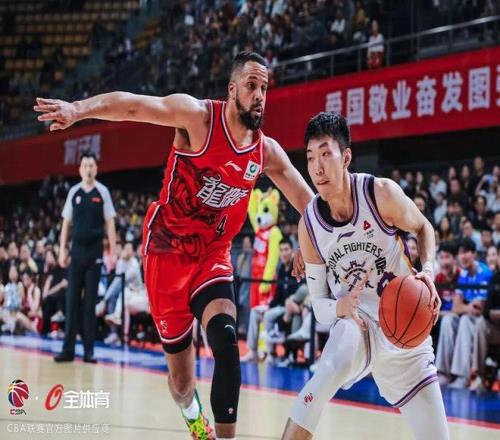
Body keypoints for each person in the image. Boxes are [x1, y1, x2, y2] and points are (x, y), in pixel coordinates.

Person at [35, 51, 314, 440]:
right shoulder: (197, 118)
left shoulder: (265, 151)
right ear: (232, 89)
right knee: (182, 385)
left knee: (226, 341)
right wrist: (77, 110)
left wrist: (307, 238)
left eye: (264, 88)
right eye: (252, 86)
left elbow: (309, 204)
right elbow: (133, 106)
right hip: (166, 254)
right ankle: (196, 422)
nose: (260, 96)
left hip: (213, 256)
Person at [281, 112, 447, 440]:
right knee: (329, 369)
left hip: (404, 326)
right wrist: (340, 307)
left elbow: (423, 227)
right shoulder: (309, 226)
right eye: (311, 157)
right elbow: (320, 306)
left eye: (325, 154)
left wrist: (428, 272)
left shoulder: (379, 193)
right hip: (359, 324)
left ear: (346, 157)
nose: (317, 167)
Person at [52, 152, 117, 364]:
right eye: (85, 165)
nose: (88, 169)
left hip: (95, 252)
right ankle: (68, 350)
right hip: (77, 252)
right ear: (80, 169)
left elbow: (110, 223)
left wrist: (113, 251)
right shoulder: (74, 192)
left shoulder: (103, 192)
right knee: (71, 301)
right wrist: (62, 250)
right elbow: (66, 224)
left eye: (91, 165)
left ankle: (89, 351)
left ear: (96, 169)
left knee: (89, 304)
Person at [436, 238, 493, 388]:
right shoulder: (463, 274)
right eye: (460, 253)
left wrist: (465, 306)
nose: (463, 256)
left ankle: (463, 375)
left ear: (474, 254)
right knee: (448, 319)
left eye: (466, 252)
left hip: (483, 321)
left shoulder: (484, 273)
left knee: (465, 320)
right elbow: (456, 307)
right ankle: (443, 373)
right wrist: (468, 307)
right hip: (468, 315)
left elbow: (479, 308)